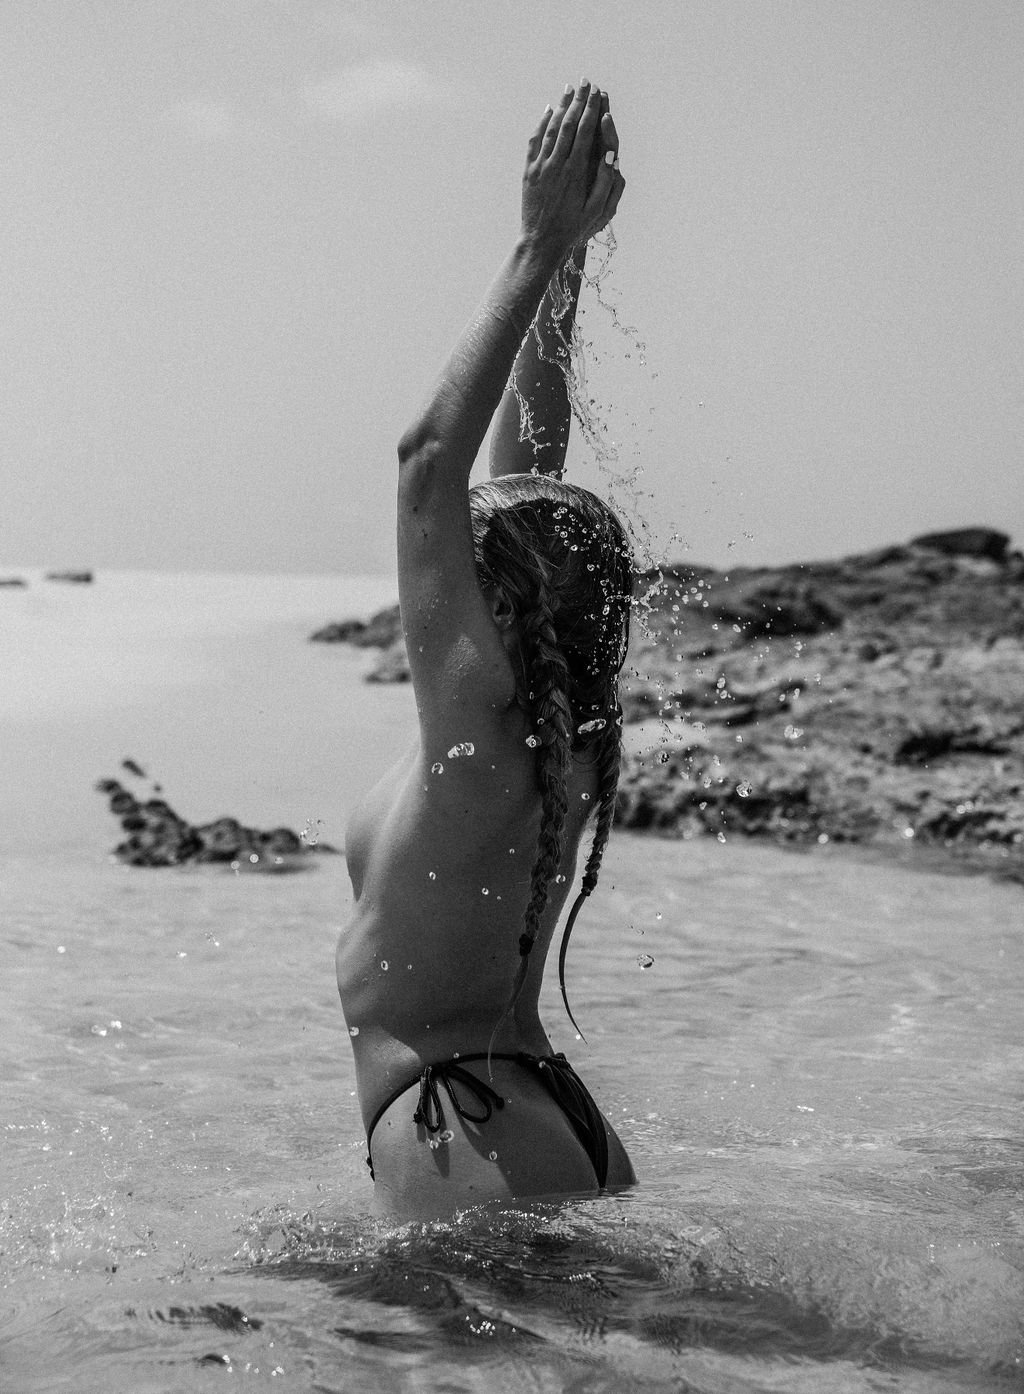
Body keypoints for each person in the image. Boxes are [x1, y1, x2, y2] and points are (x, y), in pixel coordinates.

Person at [336, 81, 636, 1218]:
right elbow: (525, 470)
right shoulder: (563, 737)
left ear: (487, 609)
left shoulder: (473, 732)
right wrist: (562, 284)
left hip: (456, 1129)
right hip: (549, 1116)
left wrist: (537, 242)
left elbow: (428, 465)